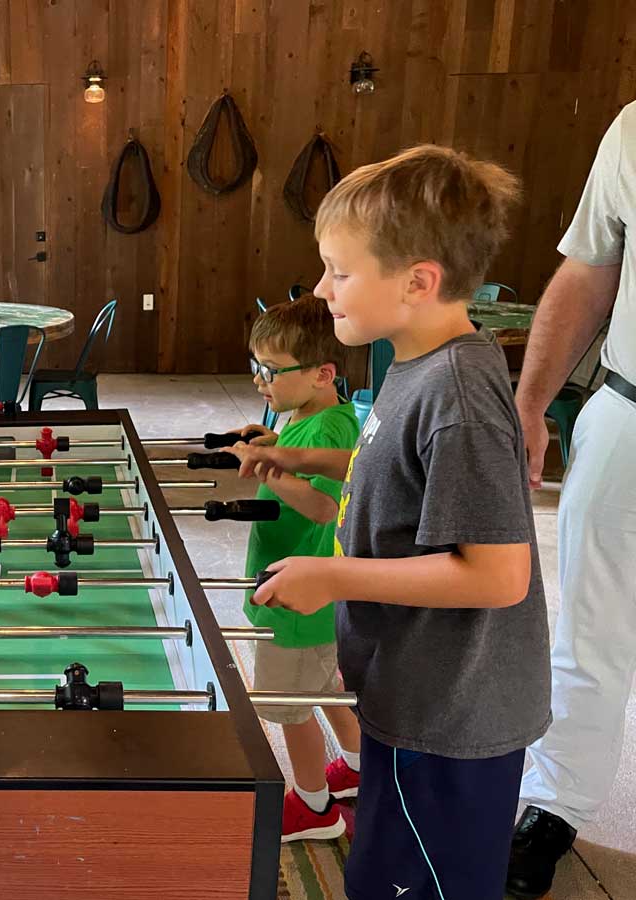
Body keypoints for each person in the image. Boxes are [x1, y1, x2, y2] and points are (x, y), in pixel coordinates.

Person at [235, 145, 550, 899]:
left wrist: (334, 574)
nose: (321, 288)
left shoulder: (459, 397)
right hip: (407, 691)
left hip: (450, 719)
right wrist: (304, 463)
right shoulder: (411, 367)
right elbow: (403, 482)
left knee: (417, 882)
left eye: (339, 271)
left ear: (417, 282)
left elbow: (499, 573)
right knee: (379, 870)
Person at [506, 101, 635, 898]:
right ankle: (552, 808)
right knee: (588, 632)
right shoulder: (633, 127)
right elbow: (591, 268)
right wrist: (529, 401)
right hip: (630, 408)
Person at [236, 295, 362, 842]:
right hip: (301, 591)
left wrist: (269, 466)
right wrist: (274, 446)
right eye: (255, 367)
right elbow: (298, 465)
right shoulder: (309, 417)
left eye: (270, 371)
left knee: (289, 708)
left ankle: (314, 807)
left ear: (321, 374)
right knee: (324, 686)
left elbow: (324, 507)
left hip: (298, 595)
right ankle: (359, 769)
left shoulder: (332, 431)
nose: (261, 381)